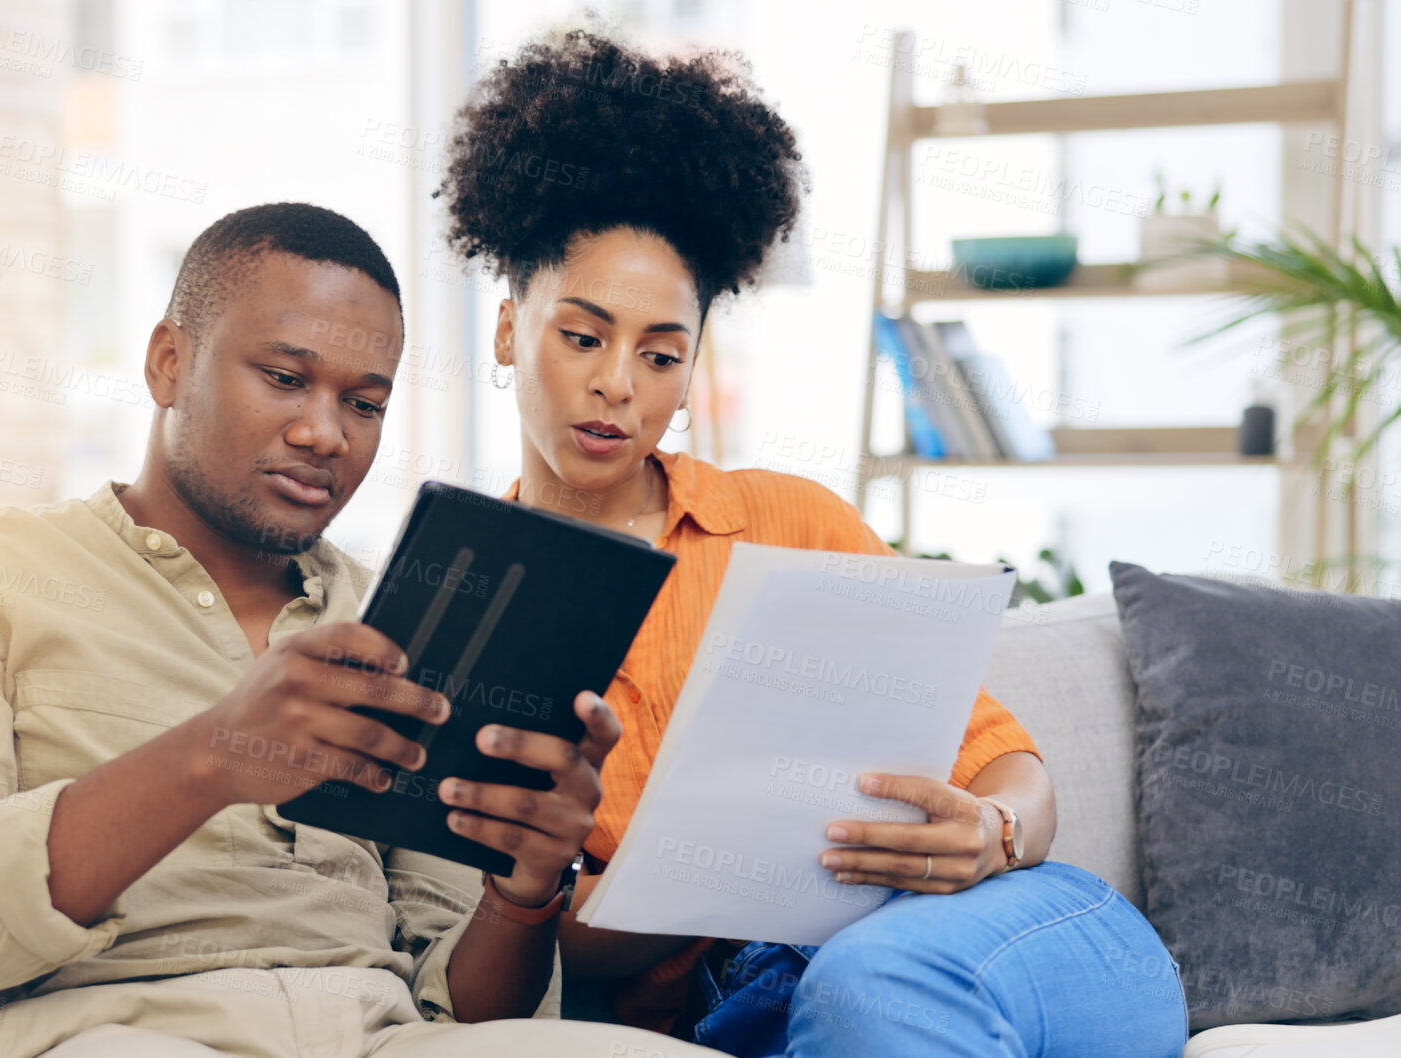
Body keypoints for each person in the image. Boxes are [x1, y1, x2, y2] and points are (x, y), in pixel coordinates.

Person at [434, 30, 1189, 1058]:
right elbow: (536, 956)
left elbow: (1009, 766)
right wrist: (715, 873)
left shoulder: (789, 524)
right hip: (769, 999)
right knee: (854, 996)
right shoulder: (479, 604)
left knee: (877, 979)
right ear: (507, 328)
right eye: (583, 336)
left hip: (1018, 931)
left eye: (663, 355)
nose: (620, 383)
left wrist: (991, 831)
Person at [0, 202, 734, 1058]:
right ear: (167, 363)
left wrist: (526, 891)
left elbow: (466, 1011)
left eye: (365, 403)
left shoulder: (399, 623)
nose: (324, 432)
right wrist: (212, 758)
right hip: (123, 1031)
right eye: (285, 378)